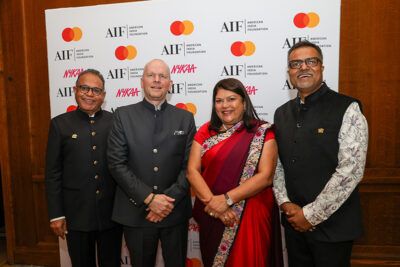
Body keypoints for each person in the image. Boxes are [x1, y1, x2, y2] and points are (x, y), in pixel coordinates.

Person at [273, 40, 369, 267]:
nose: (303, 67)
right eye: (295, 63)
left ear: (322, 67)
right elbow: (278, 165)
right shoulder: (281, 114)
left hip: (334, 228)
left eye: (311, 61)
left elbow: (351, 171)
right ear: (289, 72)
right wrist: (285, 203)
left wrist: (310, 215)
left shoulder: (348, 108)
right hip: (294, 225)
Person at [107, 59, 196, 267]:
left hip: (174, 213)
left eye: (163, 76)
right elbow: (116, 163)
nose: (157, 81)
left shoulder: (185, 118)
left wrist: (166, 202)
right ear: (141, 81)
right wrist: (149, 199)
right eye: (151, 75)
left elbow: (190, 166)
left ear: (170, 83)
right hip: (137, 213)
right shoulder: (122, 115)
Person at [187, 78, 283, 267]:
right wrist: (215, 205)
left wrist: (226, 200)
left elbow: (265, 176)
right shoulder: (206, 131)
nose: (225, 105)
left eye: (231, 99)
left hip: (251, 213)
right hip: (212, 214)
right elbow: (192, 171)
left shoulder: (262, 132)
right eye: (219, 100)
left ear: (243, 102)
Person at [45, 69, 122, 267]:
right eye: (84, 88)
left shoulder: (115, 122)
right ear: (75, 90)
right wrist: (56, 214)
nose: (89, 94)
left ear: (103, 96)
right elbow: (53, 173)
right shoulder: (60, 125)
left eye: (96, 90)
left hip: (111, 215)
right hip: (76, 215)